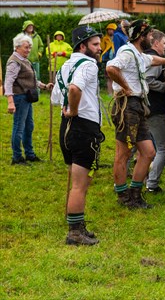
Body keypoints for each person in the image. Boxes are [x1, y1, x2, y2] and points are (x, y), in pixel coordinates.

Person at [106, 19, 165, 209]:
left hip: (138, 106)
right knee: (123, 153)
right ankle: (123, 196)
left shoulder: (138, 55)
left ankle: (135, 194)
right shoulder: (126, 52)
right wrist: (125, 87)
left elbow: (153, 60)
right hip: (127, 106)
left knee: (149, 152)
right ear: (141, 37)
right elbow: (111, 68)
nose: (151, 38)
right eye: (149, 35)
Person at [51, 25, 104, 245]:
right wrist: (74, 109)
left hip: (67, 128)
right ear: (82, 46)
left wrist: (70, 111)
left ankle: (78, 225)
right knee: (80, 185)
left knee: (77, 183)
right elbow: (74, 89)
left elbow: (56, 97)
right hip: (83, 128)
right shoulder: (89, 65)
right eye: (95, 44)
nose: (100, 48)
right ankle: (74, 232)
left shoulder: (65, 66)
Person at [4, 33, 54, 164]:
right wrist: (10, 102)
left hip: (27, 98)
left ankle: (30, 154)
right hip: (19, 98)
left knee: (29, 126)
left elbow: (30, 78)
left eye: (30, 47)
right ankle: (17, 157)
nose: (29, 50)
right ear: (17, 47)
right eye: (26, 47)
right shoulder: (14, 61)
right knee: (19, 127)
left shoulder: (24, 60)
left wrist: (43, 86)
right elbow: (8, 82)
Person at [144, 29, 165, 193]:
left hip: (144, 108)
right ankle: (152, 184)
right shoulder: (155, 60)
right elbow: (148, 80)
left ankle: (135, 180)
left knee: (144, 149)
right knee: (163, 147)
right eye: (164, 43)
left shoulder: (143, 56)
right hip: (155, 109)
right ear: (156, 43)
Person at [101, 23, 117, 94]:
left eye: (112, 30)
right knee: (108, 77)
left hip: (115, 58)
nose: (110, 31)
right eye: (109, 30)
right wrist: (101, 40)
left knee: (116, 77)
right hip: (107, 59)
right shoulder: (105, 38)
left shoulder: (117, 38)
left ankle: (116, 92)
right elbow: (102, 48)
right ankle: (110, 93)